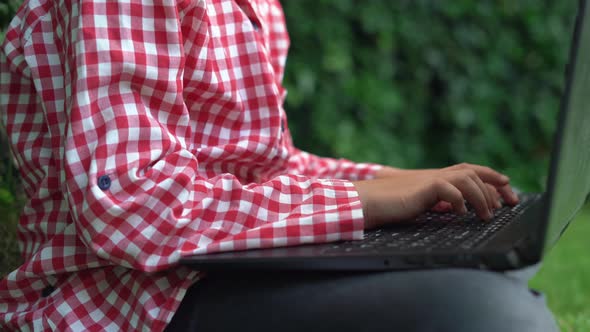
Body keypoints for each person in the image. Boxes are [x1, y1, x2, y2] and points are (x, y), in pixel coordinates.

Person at [0, 0, 558, 331]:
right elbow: (131, 202)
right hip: (124, 305)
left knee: (485, 255)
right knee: (485, 310)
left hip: (220, 268)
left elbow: (267, 170)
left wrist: (407, 185)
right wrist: (363, 202)